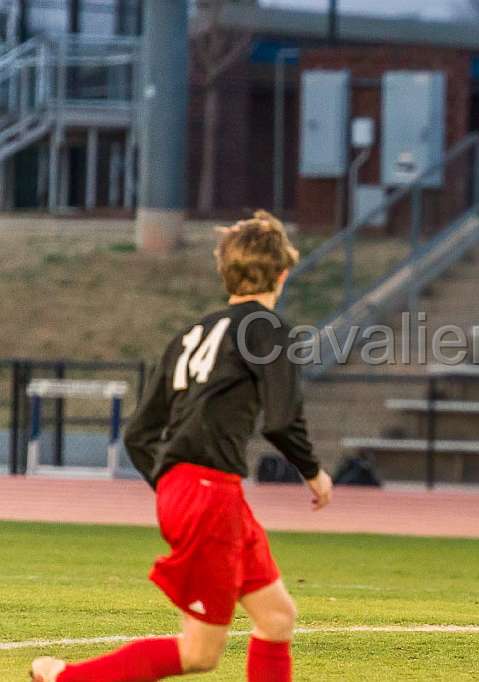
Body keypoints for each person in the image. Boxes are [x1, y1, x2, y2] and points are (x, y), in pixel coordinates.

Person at [31, 211, 334, 682]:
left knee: (277, 618)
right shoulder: (269, 329)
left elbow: (138, 435)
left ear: (226, 271)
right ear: (283, 273)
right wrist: (314, 472)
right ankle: (67, 679)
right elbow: (280, 420)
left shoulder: (189, 335)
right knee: (199, 652)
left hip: (197, 490)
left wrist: (175, 484)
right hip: (210, 493)